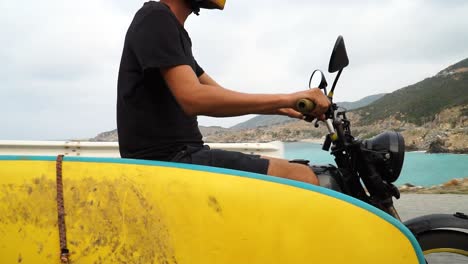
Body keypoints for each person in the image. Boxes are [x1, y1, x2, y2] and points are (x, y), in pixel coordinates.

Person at [117, 0, 330, 185]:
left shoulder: (172, 30)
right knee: (303, 177)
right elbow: (194, 98)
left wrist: (288, 108)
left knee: (291, 168)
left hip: (183, 157)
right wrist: (288, 98)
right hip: (171, 161)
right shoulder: (155, 17)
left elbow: (218, 93)